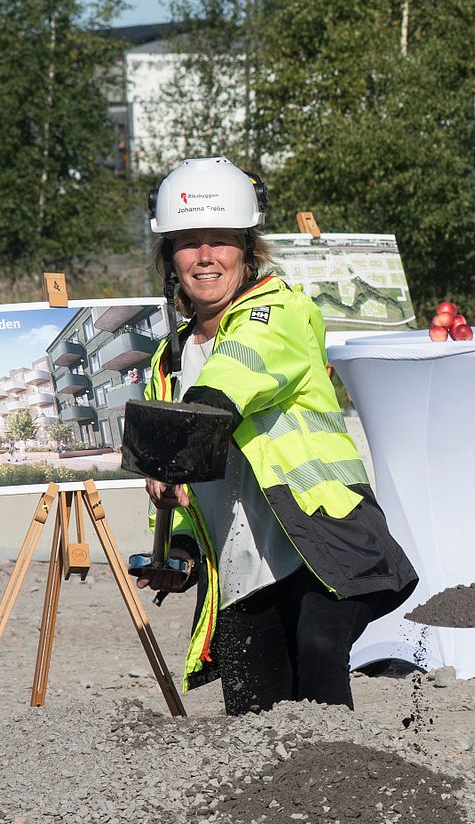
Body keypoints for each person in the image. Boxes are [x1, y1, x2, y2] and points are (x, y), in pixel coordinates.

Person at [134, 157, 417, 714]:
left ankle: (350, 791)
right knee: (253, 730)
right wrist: (182, 549)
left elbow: (231, 379)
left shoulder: (278, 311)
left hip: (322, 541)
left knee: (318, 649)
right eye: (189, 242)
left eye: (221, 240)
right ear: (169, 257)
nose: (206, 257)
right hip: (243, 572)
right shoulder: (168, 362)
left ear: (248, 248)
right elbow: (185, 496)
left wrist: (170, 450)